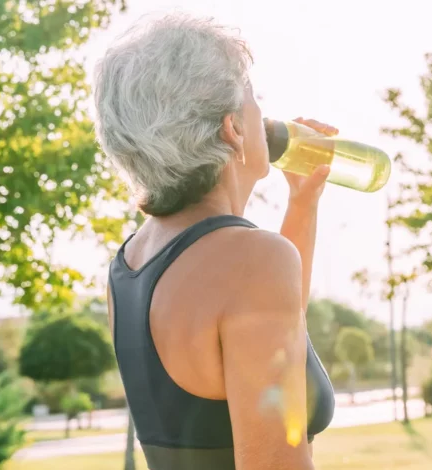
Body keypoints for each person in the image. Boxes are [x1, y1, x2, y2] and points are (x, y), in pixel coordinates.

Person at [93, 12, 336, 470]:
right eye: (253, 99)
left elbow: (269, 337)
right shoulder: (251, 261)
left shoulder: (128, 264)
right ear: (233, 128)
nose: (264, 113)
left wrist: (302, 206)